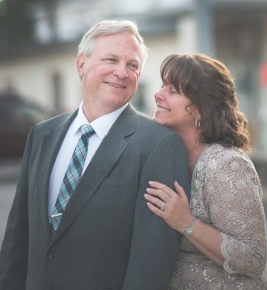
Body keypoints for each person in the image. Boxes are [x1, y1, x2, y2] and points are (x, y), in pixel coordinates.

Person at [0, 21, 191, 290]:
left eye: (133, 65)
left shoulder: (159, 145)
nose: (122, 72)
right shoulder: (42, 135)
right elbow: (17, 239)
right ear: (81, 64)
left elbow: (152, 260)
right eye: (111, 59)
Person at [144, 53, 267, 289]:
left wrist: (185, 221)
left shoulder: (227, 165)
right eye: (161, 86)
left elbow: (253, 258)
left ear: (201, 109)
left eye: (173, 91)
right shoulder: (163, 155)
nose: (158, 95)